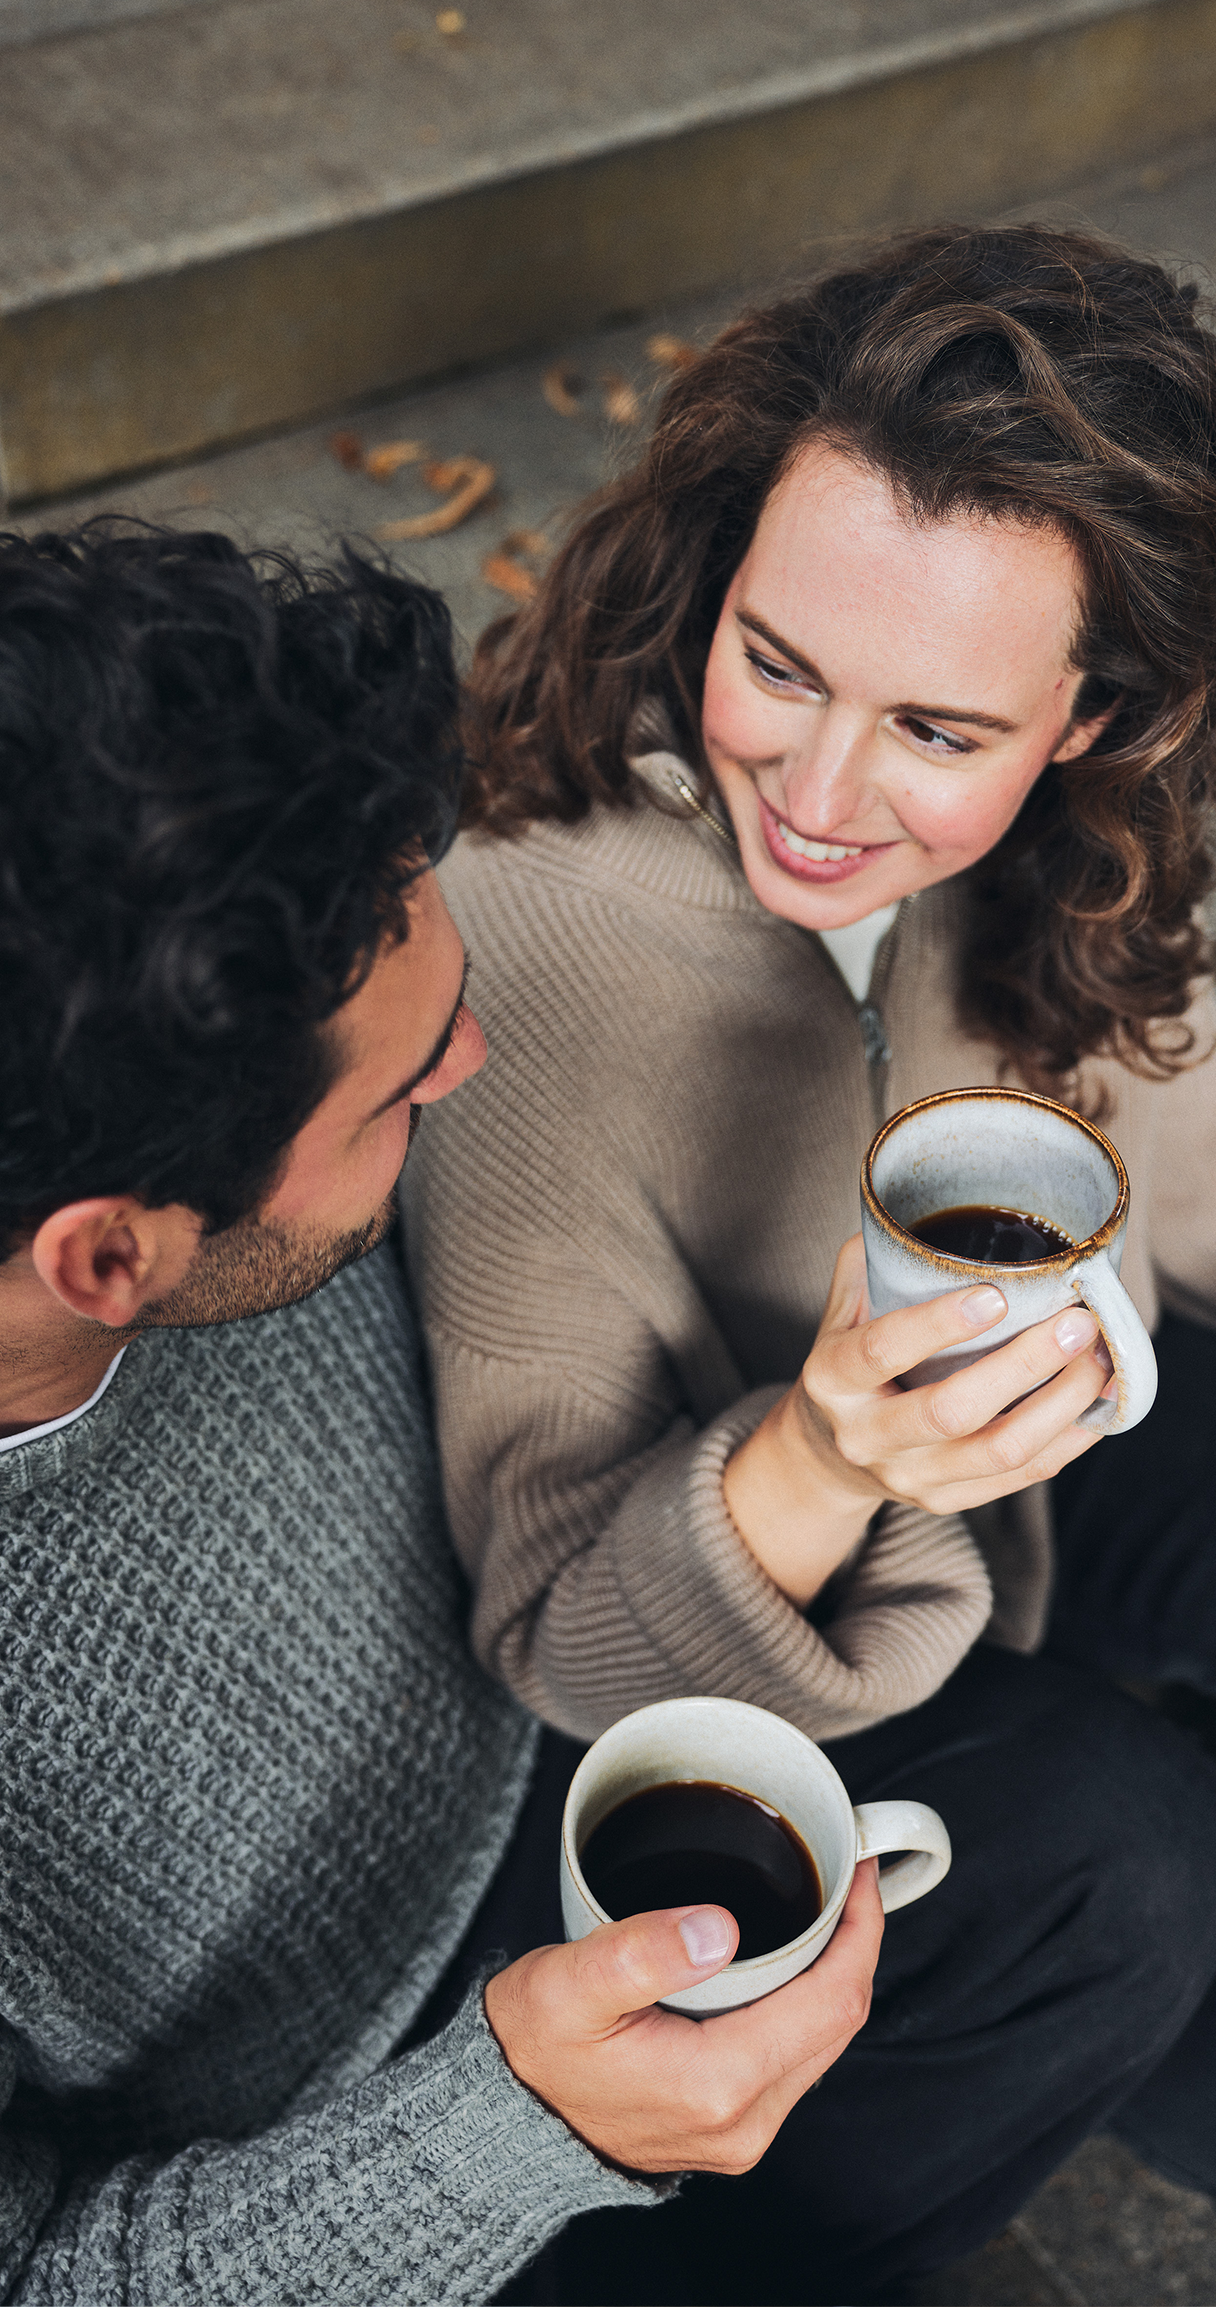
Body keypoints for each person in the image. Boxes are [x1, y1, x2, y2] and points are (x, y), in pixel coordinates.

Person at [400, 225, 1216, 2295]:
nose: (822, 797)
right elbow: (569, 1647)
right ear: (713, 570)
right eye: (776, 664)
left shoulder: (1076, 838)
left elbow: (1206, 1185)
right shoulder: (528, 943)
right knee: (1209, 1954)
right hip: (735, 1615)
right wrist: (830, 1458)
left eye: (936, 729)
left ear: (1099, 715)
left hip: (1027, 1485)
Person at [0, 523, 890, 2306]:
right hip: (319, 2149)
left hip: (549, 1726)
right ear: (110, 1255)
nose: (471, 1058)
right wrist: (512, 2133)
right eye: (399, 1091)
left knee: (1123, 1861)